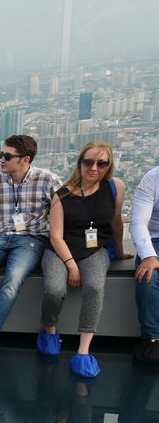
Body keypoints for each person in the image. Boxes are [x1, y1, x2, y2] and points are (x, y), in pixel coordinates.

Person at [0, 135, 62, 366]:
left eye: (7, 156)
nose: (1, 160)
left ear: (25, 159)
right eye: (1, 155)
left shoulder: (48, 180)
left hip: (31, 240)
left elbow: (65, 213)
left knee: (13, 278)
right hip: (0, 237)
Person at [37, 142, 129, 376]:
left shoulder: (115, 187)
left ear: (109, 165)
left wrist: (118, 251)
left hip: (94, 248)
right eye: (88, 162)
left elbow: (116, 223)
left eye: (102, 163)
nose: (94, 168)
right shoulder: (63, 194)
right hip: (61, 249)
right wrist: (71, 265)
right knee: (54, 289)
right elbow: (56, 236)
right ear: (80, 163)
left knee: (95, 288)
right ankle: (49, 330)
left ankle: (83, 351)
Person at [131, 165, 159, 362]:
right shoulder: (152, 178)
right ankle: (152, 338)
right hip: (155, 239)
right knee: (147, 277)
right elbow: (138, 222)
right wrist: (149, 256)